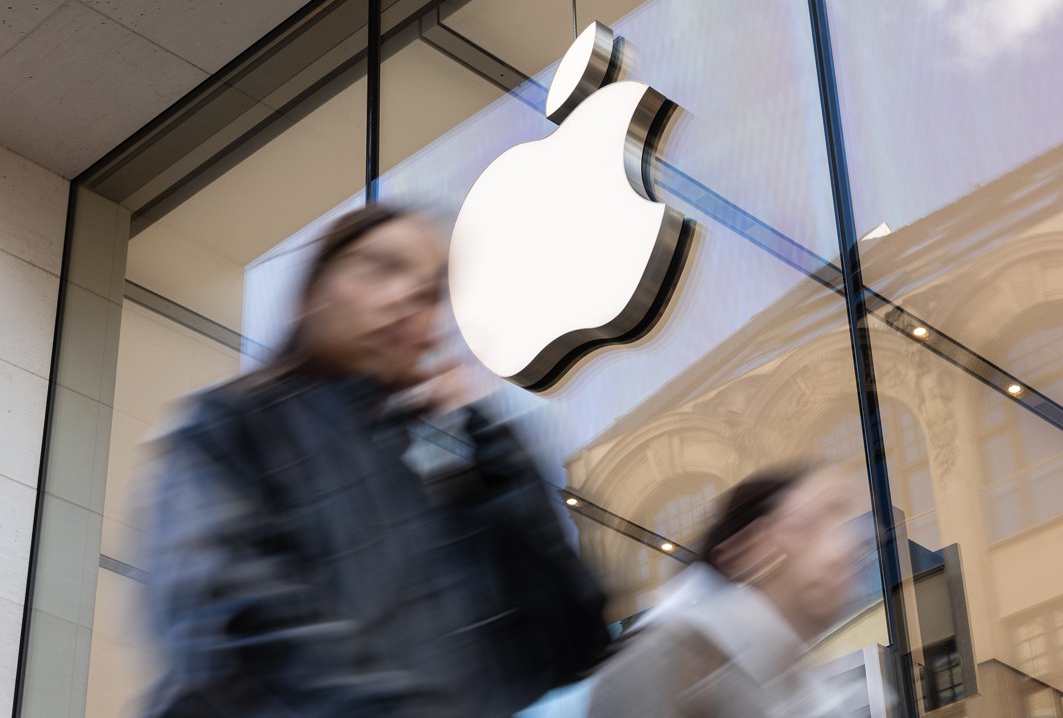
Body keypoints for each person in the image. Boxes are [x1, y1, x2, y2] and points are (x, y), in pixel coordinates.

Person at [139, 204, 609, 717]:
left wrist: (488, 448)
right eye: (383, 267)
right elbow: (226, 620)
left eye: (428, 293)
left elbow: (571, 643)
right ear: (317, 292)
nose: (407, 297)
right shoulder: (232, 424)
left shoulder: (440, 465)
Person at [587, 462, 860, 717]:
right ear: (744, 549)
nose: (837, 553)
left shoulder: (807, 687)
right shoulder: (660, 665)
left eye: (841, 528)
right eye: (805, 527)